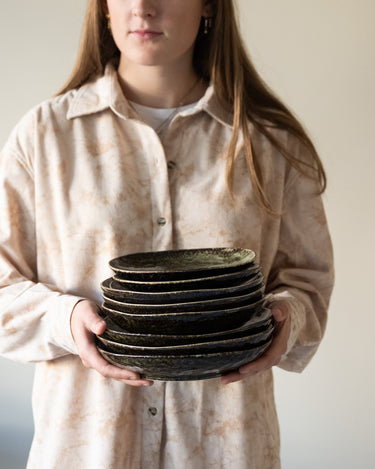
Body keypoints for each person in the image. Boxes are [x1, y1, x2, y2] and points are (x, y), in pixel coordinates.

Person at [0, 0, 334, 468]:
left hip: (224, 450)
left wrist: (287, 315)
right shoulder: (44, 136)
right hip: (87, 450)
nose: (143, 7)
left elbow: (308, 284)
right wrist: (66, 319)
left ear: (209, 7)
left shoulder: (268, 142)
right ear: (103, 9)